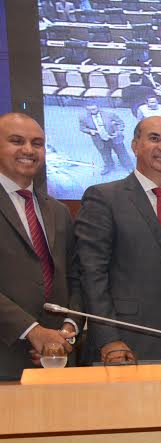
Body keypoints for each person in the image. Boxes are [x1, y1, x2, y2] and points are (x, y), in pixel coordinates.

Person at [75, 116, 161, 362]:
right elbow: (91, 274)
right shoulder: (104, 198)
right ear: (135, 145)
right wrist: (108, 338)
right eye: (154, 138)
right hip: (124, 344)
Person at [0, 113, 81, 380]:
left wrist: (67, 330)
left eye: (37, 143)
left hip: (55, 360)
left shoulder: (57, 211)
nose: (28, 150)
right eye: (16, 141)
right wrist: (33, 331)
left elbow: (74, 277)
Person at [79, 105, 132, 176]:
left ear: (98, 107)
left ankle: (128, 166)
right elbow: (82, 128)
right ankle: (109, 166)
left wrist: (118, 131)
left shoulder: (110, 114)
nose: (92, 111)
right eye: (89, 110)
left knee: (122, 153)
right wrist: (90, 131)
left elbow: (120, 123)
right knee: (105, 154)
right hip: (99, 139)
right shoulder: (83, 118)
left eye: (94, 109)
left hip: (114, 137)